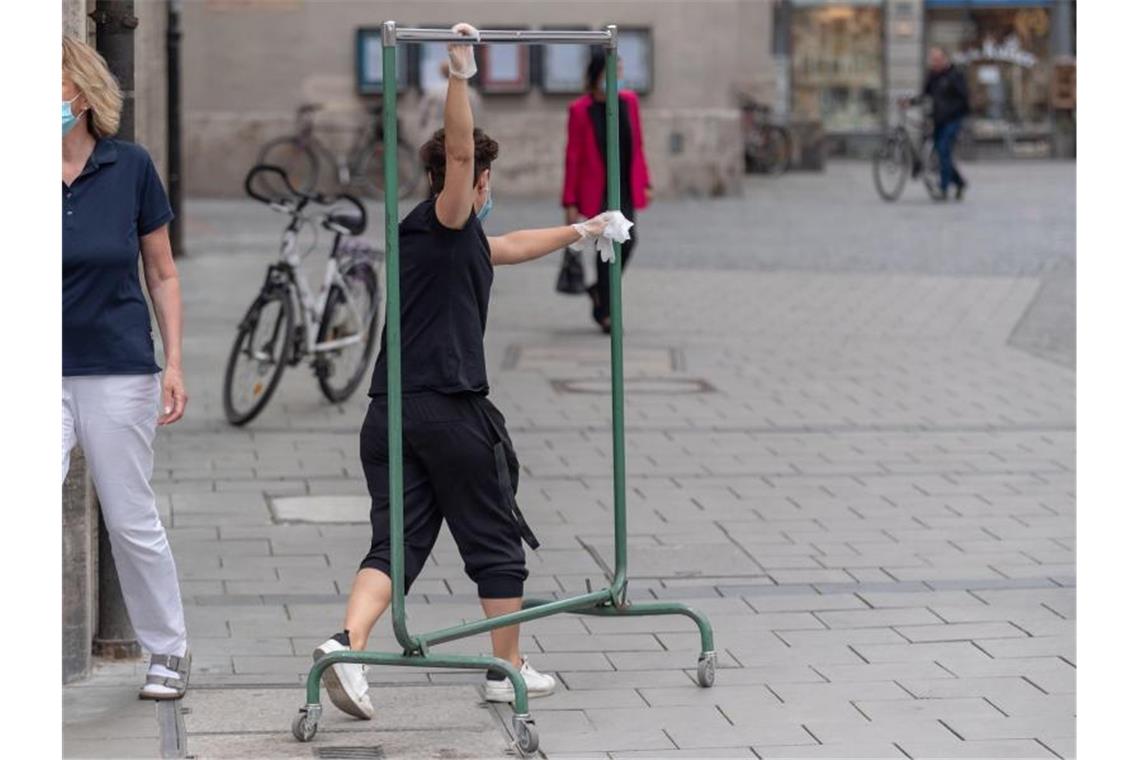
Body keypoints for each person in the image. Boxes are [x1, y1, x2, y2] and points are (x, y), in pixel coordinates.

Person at [313, 23, 619, 720]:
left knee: (395, 543)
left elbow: (508, 244)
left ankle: (342, 646)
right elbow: (459, 154)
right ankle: (502, 667)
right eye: (485, 181)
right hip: (447, 411)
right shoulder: (448, 219)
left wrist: (584, 229)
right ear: (473, 181)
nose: (486, 192)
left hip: (389, 413)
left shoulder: (441, 236)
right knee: (495, 539)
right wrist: (458, 76)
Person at [61, 36, 191, 700]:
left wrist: (173, 363)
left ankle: (168, 649)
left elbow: (162, 274)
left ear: (80, 92)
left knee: (129, 514)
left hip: (117, 366)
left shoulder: (130, 165)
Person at [562, 49, 652, 333]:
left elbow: (638, 146)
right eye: (611, 73)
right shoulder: (580, 109)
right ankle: (607, 312)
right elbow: (573, 156)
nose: (617, 78)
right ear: (596, 75)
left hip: (624, 184)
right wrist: (570, 200)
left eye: (620, 72)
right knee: (609, 244)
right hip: (596, 189)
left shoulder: (629, 102)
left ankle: (601, 294)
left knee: (629, 240)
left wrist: (645, 181)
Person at [916, 47, 970, 200]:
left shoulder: (955, 75)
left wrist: (952, 112)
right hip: (938, 121)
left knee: (943, 149)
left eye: (937, 59)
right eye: (932, 60)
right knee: (942, 153)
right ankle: (959, 182)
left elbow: (964, 99)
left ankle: (943, 187)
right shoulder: (933, 76)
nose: (934, 63)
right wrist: (910, 102)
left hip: (953, 120)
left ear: (945, 59)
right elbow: (924, 94)